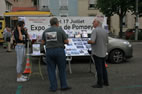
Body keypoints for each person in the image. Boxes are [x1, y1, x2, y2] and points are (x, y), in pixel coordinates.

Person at [42, 17, 71, 92]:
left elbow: (42, 42)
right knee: (62, 69)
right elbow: (66, 41)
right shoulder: (60, 30)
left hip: (49, 51)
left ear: (51, 23)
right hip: (59, 51)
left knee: (51, 70)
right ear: (57, 23)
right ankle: (63, 86)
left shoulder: (45, 31)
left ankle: (53, 87)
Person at [88, 18, 109, 88]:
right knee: (103, 68)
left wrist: (88, 41)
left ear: (97, 23)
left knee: (99, 68)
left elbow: (93, 41)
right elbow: (107, 41)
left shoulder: (95, 30)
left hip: (97, 52)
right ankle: (106, 82)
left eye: (93, 22)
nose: (92, 23)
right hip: (103, 52)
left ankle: (99, 83)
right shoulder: (105, 31)